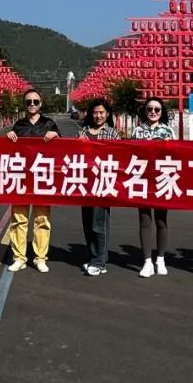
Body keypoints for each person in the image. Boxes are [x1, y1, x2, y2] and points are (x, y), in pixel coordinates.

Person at [5, 89, 60, 273]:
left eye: (35, 101)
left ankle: (40, 258)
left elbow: (63, 150)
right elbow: (7, 151)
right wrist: (9, 138)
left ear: (41, 104)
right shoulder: (18, 126)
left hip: (43, 179)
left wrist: (56, 137)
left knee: (42, 219)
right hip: (21, 178)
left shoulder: (50, 124)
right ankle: (19, 257)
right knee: (19, 220)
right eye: (29, 102)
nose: (32, 105)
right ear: (24, 104)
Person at [78, 99, 120, 276]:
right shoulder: (83, 132)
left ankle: (100, 261)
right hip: (85, 184)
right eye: (95, 112)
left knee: (99, 223)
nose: (98, 115)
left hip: (103, 184)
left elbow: (119, 157)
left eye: (102, 112)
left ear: (107, 114)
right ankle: (93, 256)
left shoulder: (113, 134)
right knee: (87, 223)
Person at [132, 96, 173, 278]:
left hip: (163, 179)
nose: (153, 112)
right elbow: (129, 154)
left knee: (161, 220)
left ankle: (161, 258)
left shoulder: (168, 131)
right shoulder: (137, 131)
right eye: (150, 109)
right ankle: (147, 261)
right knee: (144, 219)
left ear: (162, 112)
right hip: (143, 179)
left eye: (157, 109)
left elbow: (176, 155)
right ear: (145, 111)